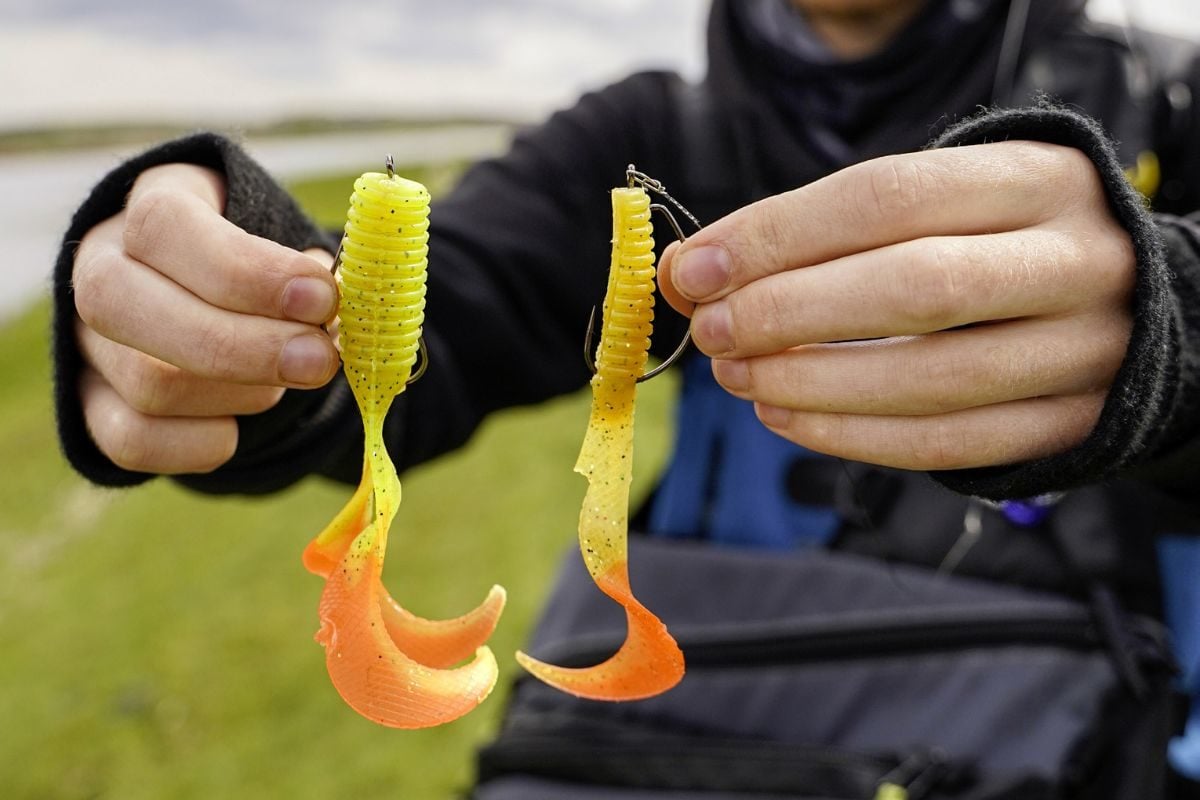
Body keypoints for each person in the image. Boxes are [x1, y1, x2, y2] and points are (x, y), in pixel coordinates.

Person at [51, 0, 1200, 796]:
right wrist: (227, 309)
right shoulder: (646, 134)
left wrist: (1175, 331)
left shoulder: (1171, 107)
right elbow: (447, 315)